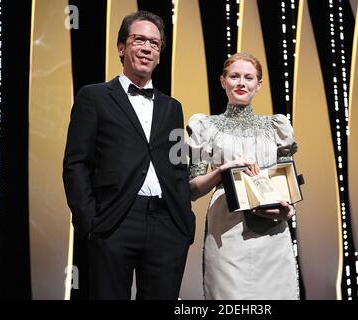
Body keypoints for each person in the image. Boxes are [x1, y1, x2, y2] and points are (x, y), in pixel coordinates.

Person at [63, 11, 194, 300]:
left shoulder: (172, 107)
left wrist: (184, 220)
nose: (147, 48)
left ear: (160, 54)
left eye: (155, 43)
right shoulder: (93, 96)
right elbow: (76, 163)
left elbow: (177, 166)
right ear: (121, 47)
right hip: (114, 220)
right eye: (139, 40)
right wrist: (89, 221)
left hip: (167, 223)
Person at [187, 52, 299, 299]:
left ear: (258, 85)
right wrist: (222, 171)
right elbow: (192, 190)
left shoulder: (276, 127)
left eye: (249, 77)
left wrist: (288, 210)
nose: (241, 82)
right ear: (222, 81)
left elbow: (286, 183)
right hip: (227, 233)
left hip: (272, 232)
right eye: (234, 76)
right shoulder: (206, 127)